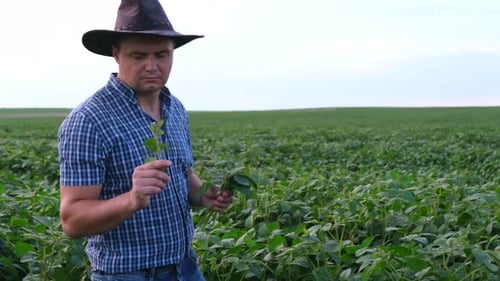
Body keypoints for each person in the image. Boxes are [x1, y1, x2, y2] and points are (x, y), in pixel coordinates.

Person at [57, 0, 233, 280]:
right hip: (129, 274)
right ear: (117, 54)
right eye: (139, 56)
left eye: (162, 55)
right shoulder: (89, 120)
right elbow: (73, 220)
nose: (152, 66)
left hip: (185, 267)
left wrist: (203, 195)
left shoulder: (174, 108)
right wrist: (132, 199)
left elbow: (182, 173)